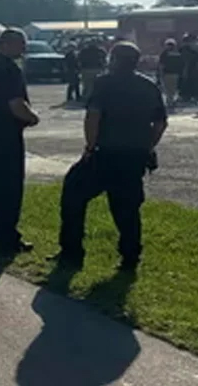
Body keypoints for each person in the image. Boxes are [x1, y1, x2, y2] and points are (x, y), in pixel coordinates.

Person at [54, 41, 168, 272]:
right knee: (127, 208)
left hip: (104, 153)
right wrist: (147, 146)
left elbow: (93, 116)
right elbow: (160, 122)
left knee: (73, 196)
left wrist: (90, 146)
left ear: (114, 60)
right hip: (134, 156)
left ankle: (72, 253)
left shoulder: (104, 83)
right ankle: (130, 257)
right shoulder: (149, 86)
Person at [0, 28, 40, 256]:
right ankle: (7, 237)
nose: (24, 48)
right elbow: (16, 104)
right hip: (6, 134)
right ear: (7, 44)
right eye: (21, 44)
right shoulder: (8, 69)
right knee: (9, 187)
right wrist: (32, 117)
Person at [157, 38, 182, 110]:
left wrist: (160, 74)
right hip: (175, 74)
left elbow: (161, 65)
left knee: (168, 90)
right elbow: (180, 64)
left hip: (167, 74)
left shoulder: (164, 53)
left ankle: (170, 102)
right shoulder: (178, 53)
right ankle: (171, 101)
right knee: (173, 89)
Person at [178, 34, 198, 104]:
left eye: (188, 41)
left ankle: (193, 96)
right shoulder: (181, 50)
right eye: (185, 41)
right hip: (184, 69)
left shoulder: (194, 50)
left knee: (193, 82)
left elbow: (196, 60)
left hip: (192, 69)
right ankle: (185, 96)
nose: (187, 43)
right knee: (184, 83)